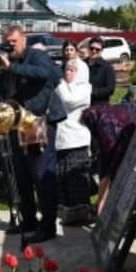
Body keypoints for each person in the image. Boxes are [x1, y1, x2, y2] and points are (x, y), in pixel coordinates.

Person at [0, 24, 65, 244]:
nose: (10, 46)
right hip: (17, 121)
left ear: (23, 39)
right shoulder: (10, 62)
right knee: (22, 176)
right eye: (6, 42)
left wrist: (12, 69)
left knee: (41, 175)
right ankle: (28, 220)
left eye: (13, 42)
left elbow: (46, 73)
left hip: (39, 121)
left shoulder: (36, 56)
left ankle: (48, 226)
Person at [54, 54, 93, 227]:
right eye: (67, 69)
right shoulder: (63, 86)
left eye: (72, 70)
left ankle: (80, 213)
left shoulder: (84, 88)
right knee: (62, 176)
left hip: (77, 139)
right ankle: (65, 211)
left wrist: (60, 83)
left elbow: (69, 100)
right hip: (62, 138)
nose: (68, 73)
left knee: (76, 178)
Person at [86, 36, 115, 106]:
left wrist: (92, 92)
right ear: (88, 49)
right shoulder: (82, 64)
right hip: (81, 104)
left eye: (97, 49)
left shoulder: (107, 67)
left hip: (99, 106)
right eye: (91, 48)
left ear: (102, 51)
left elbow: (110, 89)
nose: (94, 51)